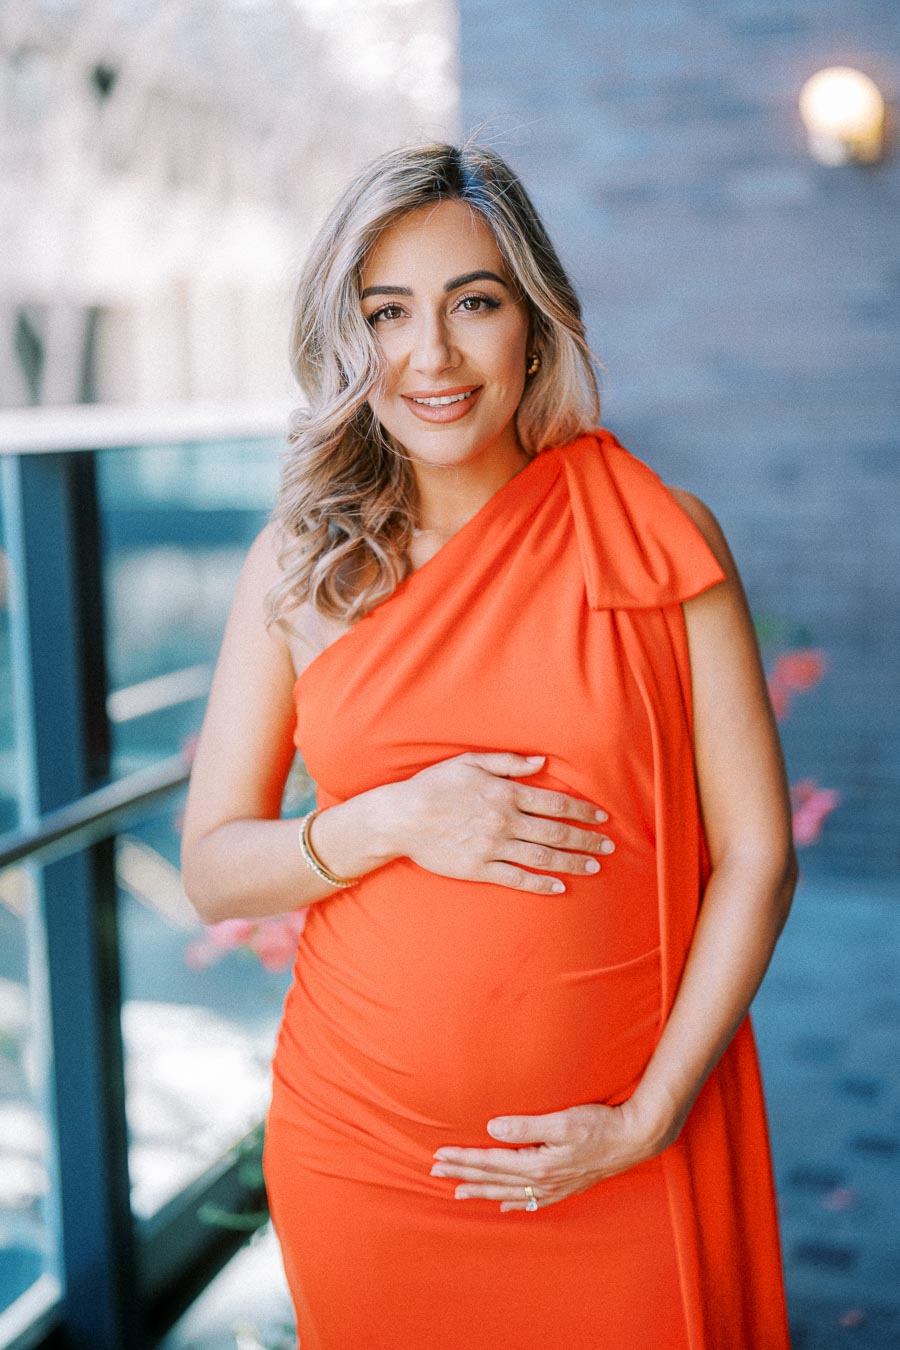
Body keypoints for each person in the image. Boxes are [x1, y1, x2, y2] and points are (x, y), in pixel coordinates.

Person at [181, 141, 797, 1349]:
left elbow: (760, 854)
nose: (433, 355)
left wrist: (650, 1115)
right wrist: (390, 819)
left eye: (474, 302)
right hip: (362, 1157)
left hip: (618, 1146)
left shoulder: (657, 534)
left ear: (535, 321)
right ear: (350, 344)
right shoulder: (299, 571)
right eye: (387, 314)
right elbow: (212, 868)